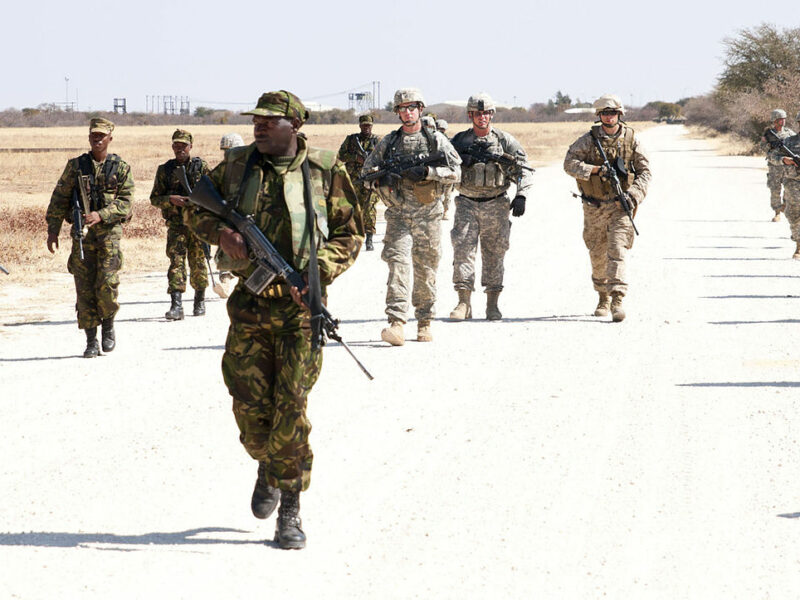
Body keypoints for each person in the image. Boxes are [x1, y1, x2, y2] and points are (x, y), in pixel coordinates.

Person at [186, 90, 362, 549]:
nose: (259, 127)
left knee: (292, 409)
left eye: (269, 121)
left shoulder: (325, 171)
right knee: (250, 412)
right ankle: (267, 464)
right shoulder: (237, 166)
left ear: (295, 126)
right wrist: (221, 234)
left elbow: (351, 233)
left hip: (301, 312)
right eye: (257, 121)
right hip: (249, 307)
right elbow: (192, 210)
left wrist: (317, 272)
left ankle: (290, 510)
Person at [362, 88, 461, 344]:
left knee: (426, 268)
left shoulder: (435, 140)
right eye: (402, 108)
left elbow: (457, 172)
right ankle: (396, 322)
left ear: (420, 109)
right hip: (397, 215)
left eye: (412, 107)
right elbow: (366, 175)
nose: (407, 112)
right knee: (397, 263)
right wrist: (383, 178)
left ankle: (425, 321)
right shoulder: (389, 142)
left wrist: (429, 173)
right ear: (397, 112)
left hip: (428, 216)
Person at [46, 117, 134, 357]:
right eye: (93, 135)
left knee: (106, 285)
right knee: (84, 288)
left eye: (101, 136)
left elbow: (126, 203)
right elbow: (59, 198)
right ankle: (91, 340)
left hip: (109, 237)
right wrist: (53, 229)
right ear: (89, 137)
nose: (97, 139)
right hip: (82, 238)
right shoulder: (76, 166)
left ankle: (108, 325)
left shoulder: (121, 167)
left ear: (110, 139)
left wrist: (101, 214)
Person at [563, 94, 651, 322]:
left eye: (612, 113)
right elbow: (569, 163)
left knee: (618, 250)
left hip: (620, 206)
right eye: (605, 113)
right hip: (594, 207)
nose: (609, 117)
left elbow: (645, 172)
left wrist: (633, 196)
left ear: (619, 114)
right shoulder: (589, 140)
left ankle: (617, 299)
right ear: (599, 116)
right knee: (597, 253)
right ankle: (602, 296)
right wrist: (595, 171)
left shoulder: (631, 139)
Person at [449, 92, 533, 321]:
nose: (482, 117)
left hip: (496, 203)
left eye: (486, 113)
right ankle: (463, 303)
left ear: (492, 114)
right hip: (466, 202)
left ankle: (492, 304)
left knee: (495, 253)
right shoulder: (458, 141)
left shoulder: (505, 141)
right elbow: (443, 165)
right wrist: (460, 162)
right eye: (477, 113)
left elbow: (524, 169)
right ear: (470, 115)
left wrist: (521, 195)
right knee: (463, 251)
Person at [149, 129, 211, 319]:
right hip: (176, 224)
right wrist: (171, 199)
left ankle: (199, 300)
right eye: (176, 145)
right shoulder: (165, 170)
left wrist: (199, 202)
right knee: (176, 262)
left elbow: (214, 193)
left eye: (183, 145)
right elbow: (154, 198)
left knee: (198, 262)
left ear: (190, 146)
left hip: (198, 222)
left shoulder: (201, 167)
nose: (179, 149)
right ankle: (176, 305)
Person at [337, 114, 381, 250]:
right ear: (360, 125)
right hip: (354, 181)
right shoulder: (351, 140)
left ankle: (369, 238)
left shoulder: (378, 141)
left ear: (372, 126)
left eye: (368, 125)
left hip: (371, 180)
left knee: (369, 209)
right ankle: (354, 237)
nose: (366, 128)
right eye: (364, 125)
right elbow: (341, 156)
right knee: (354, 209)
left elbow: (384, 159)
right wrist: (355, 158)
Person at [215, 133, 247, 297]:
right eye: (225, 151)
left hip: (247, 219)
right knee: (226, 248)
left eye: (231, 151)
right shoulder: (221, 171)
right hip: (229, 218)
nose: (227, 154)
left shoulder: (250, 170)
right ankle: (225, 282)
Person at [761, 109, 796, 222]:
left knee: (788, 189)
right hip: (774, 166)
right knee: (775, 190)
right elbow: (765, 150)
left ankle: (784, 206)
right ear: (774, 120)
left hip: (788, 167)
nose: (783, 121)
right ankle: (777, 212)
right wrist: (779, 157)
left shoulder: (790, 133)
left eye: (784, 119)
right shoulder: (768, 134)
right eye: (780, 119)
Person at [779, 112, 800, 259]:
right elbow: (773, 156)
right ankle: (799, 243)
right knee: (793, 213)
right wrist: (783, 159)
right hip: (793, 182)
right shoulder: (789, 142)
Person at [436, 119, 455, 220]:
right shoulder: (433, 142)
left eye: (442, 130)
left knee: (447, 194)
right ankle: (439, 211)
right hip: (438, 172)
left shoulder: (450, 142)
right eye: (439, 129)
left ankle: (445, 211)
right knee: (438, 193)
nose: (440, 132)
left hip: (448, 171)